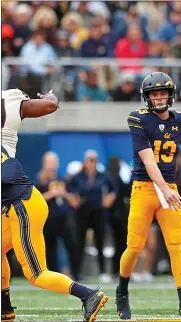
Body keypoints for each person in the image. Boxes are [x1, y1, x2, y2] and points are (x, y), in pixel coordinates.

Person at [1, 89, 108, 322]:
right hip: (16, 205)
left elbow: (8, 172)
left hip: (23, 206)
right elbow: (49, 105)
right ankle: (4, 307)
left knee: (36, 274)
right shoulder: (9, 103)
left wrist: (50, 101)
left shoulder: (4, 147)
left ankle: (89, 295)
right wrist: (51, 98)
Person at [115, 72, 181, 320]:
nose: (159, 97)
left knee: (176, 246)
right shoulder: (139, 119)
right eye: (154, 94)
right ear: (147, 97)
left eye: (163, 93)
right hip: (144, 189)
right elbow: (148, 160)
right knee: (134, 246)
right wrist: (164, 189)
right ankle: (122, 292)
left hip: (169, 189)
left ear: (171, 95)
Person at [70, 150, 116, 283]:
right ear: (84, 162)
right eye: (89, 160)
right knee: (79, 242)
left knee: (100, 241)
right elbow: (69, 189)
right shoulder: (78, 176)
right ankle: (77, 272)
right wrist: (73, 199)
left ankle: (102, 271)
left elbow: (114, 189)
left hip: (98, 211)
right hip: (82, 212)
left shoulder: (102, 175)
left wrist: (109, 198)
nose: (91, 163)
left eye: (94, 160)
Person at [35, 152, 80, 281]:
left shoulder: (62, 179)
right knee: (50, 248)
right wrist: (52, 193)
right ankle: (54, 276)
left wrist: (64, 193)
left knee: (71, 245)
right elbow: (36, 199)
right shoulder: (40, 180)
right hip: (48, 218)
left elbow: (74, 200)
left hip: (63, 217)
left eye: (54, 162)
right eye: (50, 162)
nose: (52, 165)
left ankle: (76, 273)